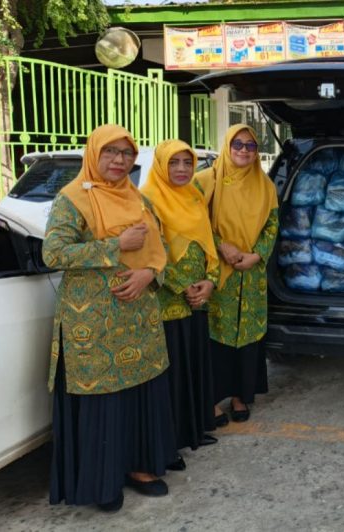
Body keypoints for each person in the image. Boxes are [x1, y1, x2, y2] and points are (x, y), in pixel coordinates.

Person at [44, 124, 176, 512]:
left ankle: (141, 467)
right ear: (94, 154)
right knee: (105, 401)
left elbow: (160, 246)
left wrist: (149, 273)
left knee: (139, 393)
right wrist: (114, 246)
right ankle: (103, 482)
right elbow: (53, 254)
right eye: (110, 152)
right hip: (94, 324)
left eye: (126, 153)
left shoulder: (138, 198)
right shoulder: (71, 200)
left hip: (138, 319)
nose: (119, 161)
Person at [141, 140, 220, 467]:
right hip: (167, 299)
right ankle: (171, 441)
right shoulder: (148, 200)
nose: (182, 170)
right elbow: (151, 252)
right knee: (171, 371)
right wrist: (182, 286)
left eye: (188, 163)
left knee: (194, 362)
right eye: (174, 163)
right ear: (161, 165)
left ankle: (195, 429)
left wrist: (210, 281)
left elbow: (208, 242)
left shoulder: (195, 196)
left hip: (197, 297)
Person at [196, 124, 278, 425]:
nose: (244, 151)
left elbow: (272, 225)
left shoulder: (265, 185)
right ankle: (214, 400)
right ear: (227, 146)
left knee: (249, 340)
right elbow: (195, 222)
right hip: (218, 271)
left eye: (250, 146)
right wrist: (222, 247)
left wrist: (257, 254)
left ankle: (241, 395)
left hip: (251, 274)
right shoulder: (206, 181)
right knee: (215, 337)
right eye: (237, 145)